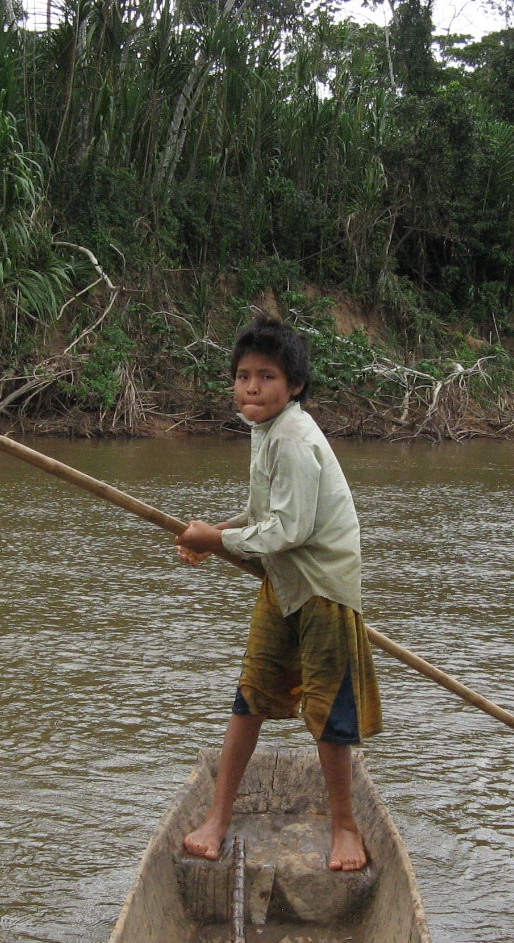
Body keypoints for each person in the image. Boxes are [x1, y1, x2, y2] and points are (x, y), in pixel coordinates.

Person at [175, 316, 382, 871]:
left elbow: (288, 530)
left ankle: (344, 826)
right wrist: (214, 535)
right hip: (283, 583)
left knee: (328, 712)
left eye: (267, 377)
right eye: (243, 376)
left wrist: (215, 540)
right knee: (251, 697)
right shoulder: (264, 433)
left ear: (294, 387)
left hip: (322, 590)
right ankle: (219, 816)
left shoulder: (293, 438)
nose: (251, 387)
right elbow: (263, 516)